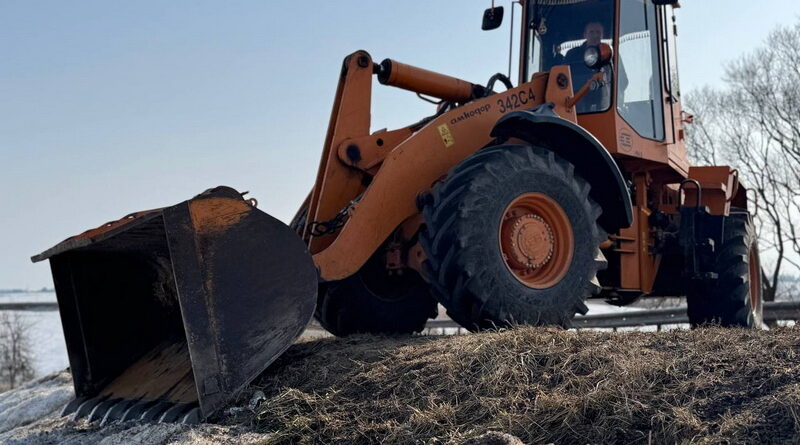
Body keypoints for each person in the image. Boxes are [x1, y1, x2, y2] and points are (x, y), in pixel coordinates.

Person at [563, 21, 612, 113]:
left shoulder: (610, 55)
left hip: (605, 107)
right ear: (585, 35)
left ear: (602, 35)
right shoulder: (572, 55)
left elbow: (622, 81)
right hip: (576, 107)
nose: (595, 35)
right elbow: (564, 79)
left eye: (598, 32)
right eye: (591, 32)